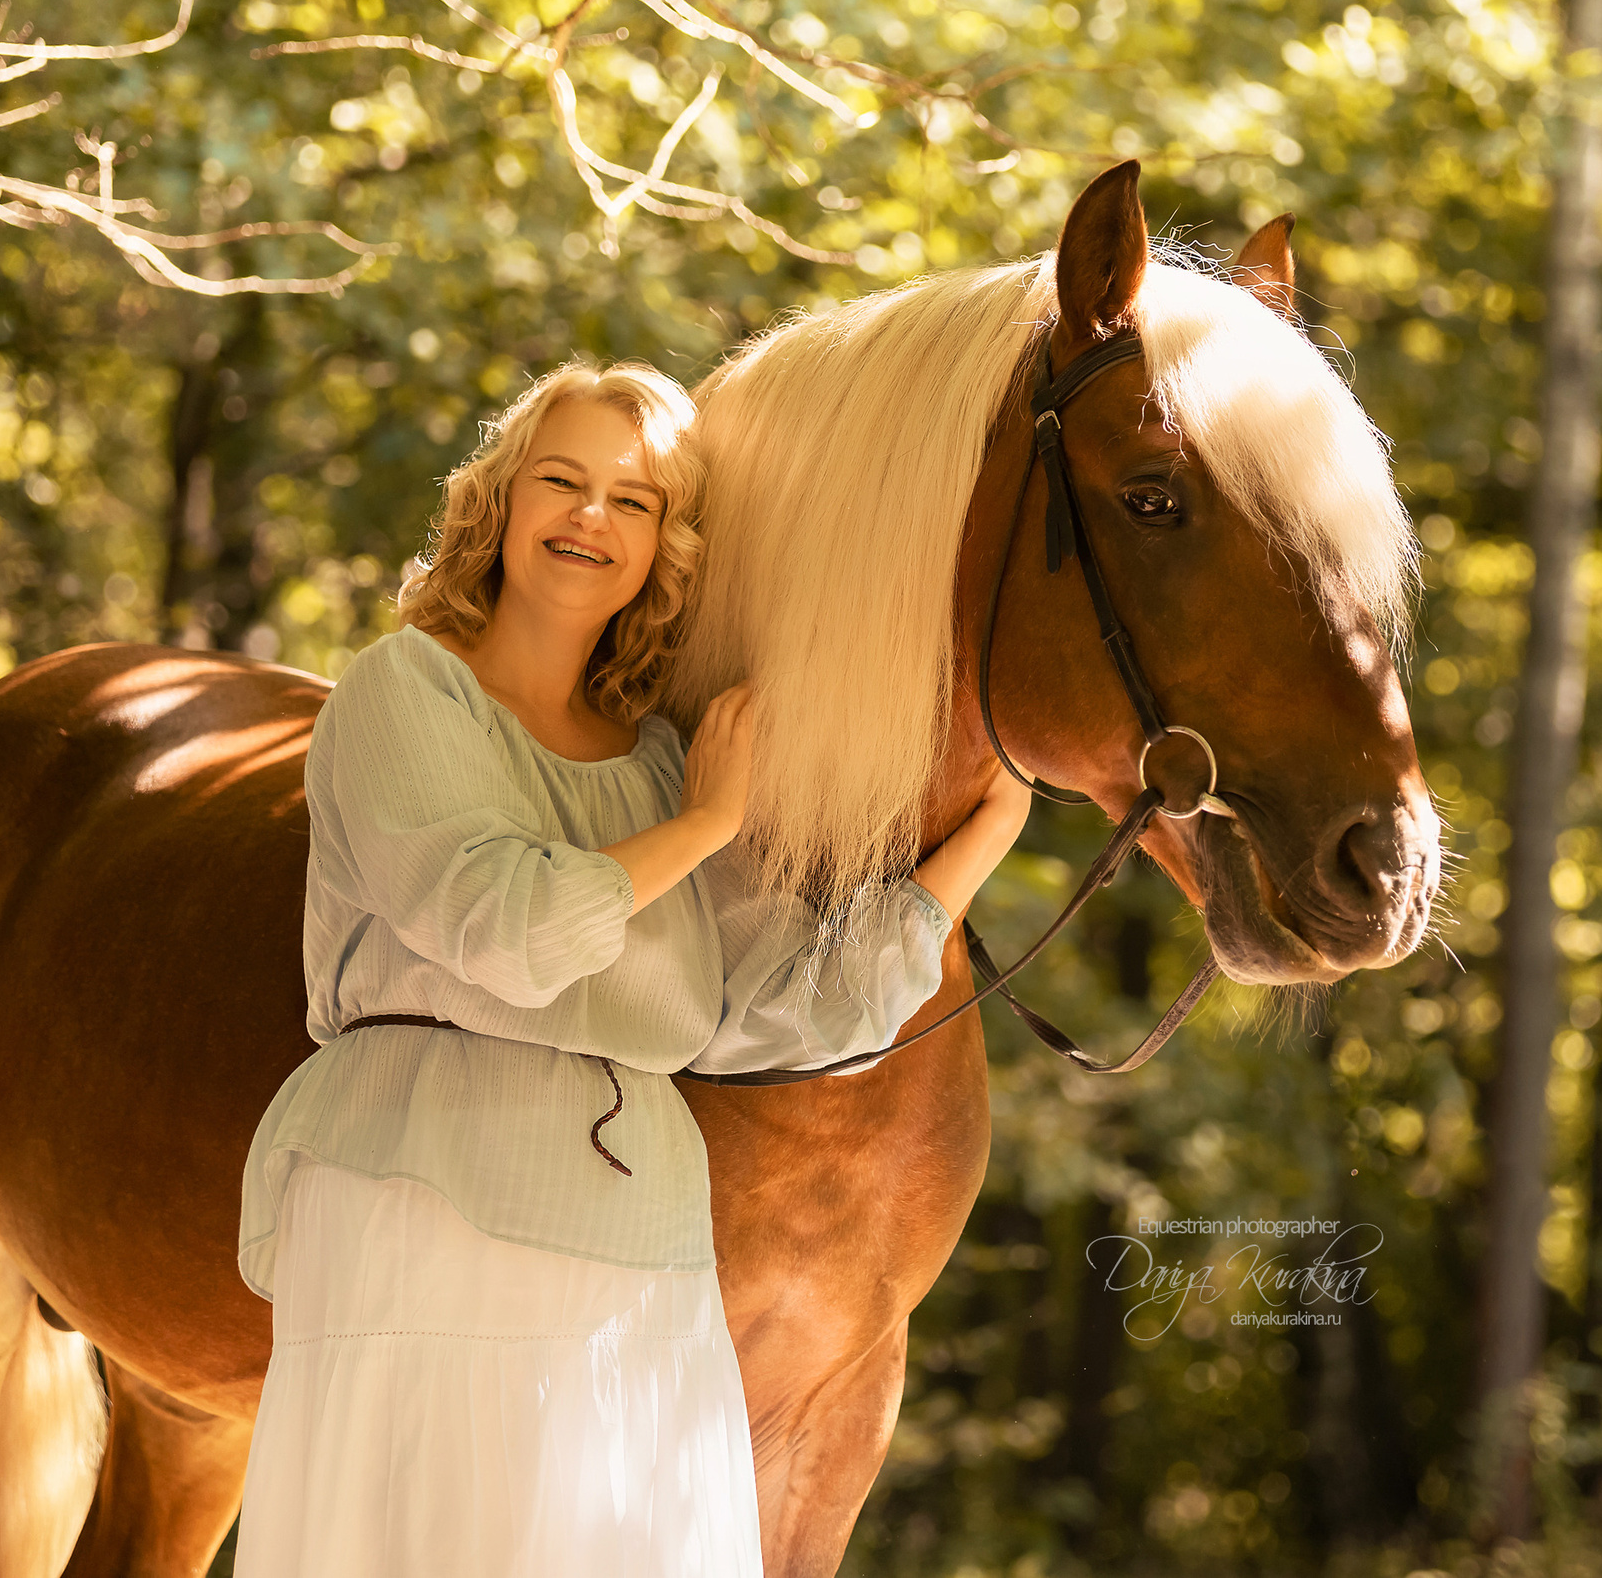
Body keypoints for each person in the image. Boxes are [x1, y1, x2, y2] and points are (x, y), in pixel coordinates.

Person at [231, 359, 1030, 1577]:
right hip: (424, 1188)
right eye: (561, 480)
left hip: (640, 1234)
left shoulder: (662, 762)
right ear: (499, 498)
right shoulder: (406, 690)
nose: (590, 516)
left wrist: (985, 832)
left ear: (664, 544)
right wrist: (706, 825)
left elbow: (772, 1015)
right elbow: (497, 923)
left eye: (633, 498)